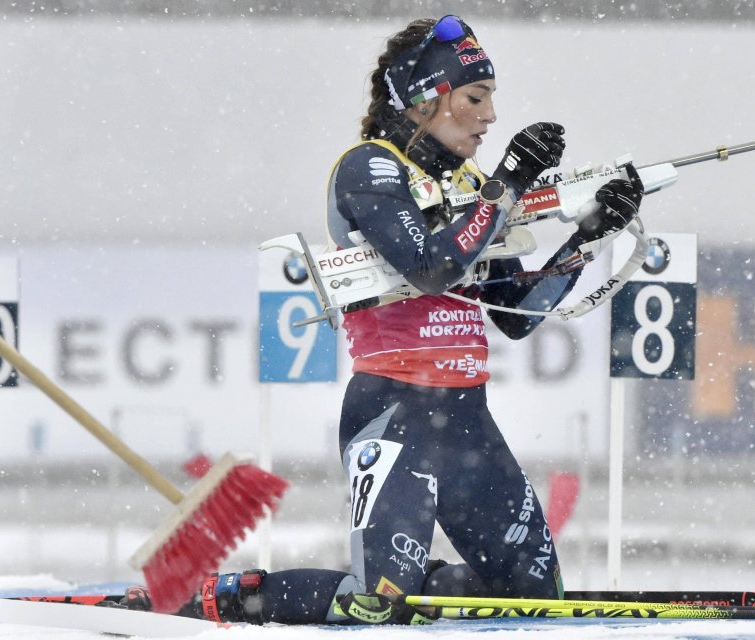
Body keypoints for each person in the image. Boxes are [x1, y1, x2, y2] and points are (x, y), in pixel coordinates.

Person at [128, 15, 643, 626]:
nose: (490, 117)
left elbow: (517, 316)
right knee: (375, 605)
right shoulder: (370, 168)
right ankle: (225, 596)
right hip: (394, 410)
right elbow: (431, 267)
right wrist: (505, 187)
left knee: (535, 599)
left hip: (466, 421)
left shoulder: (471, 185)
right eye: (475, 98)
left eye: (492, 100)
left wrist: (589, 237)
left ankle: (430, 586)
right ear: (428, 97)